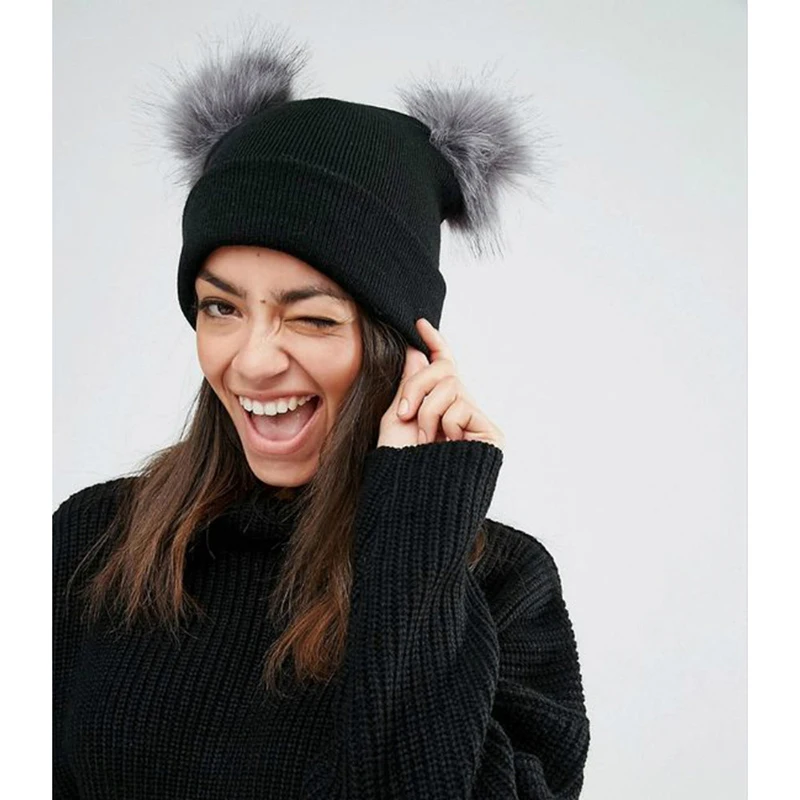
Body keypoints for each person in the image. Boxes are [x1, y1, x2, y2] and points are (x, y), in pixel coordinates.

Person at [53, 27, 591, 799]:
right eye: (220, 307)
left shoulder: (501, 584)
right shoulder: (92, 542)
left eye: (311, 318)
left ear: (403, 349)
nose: (252, 361)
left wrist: (417, 533)